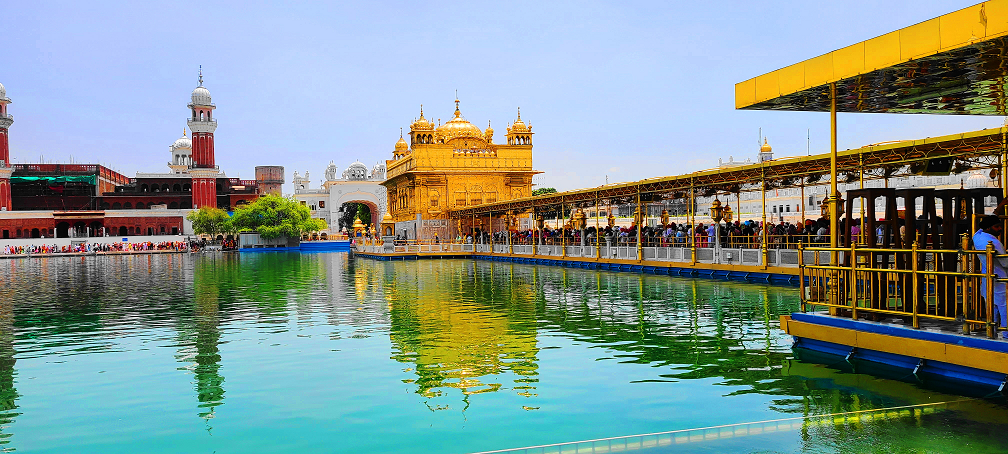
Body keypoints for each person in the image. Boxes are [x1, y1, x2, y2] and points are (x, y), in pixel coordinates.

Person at [974, 215, 1008, 339]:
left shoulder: (977, 237)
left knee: (991, 306)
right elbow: (1005, 262)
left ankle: (991, 332)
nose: (999, 229)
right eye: (997, 226)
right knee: (1004, 308)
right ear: (988, 228)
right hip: (1000, 277)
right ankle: (1006, 333)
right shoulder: (994, 242)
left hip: (987, 276)